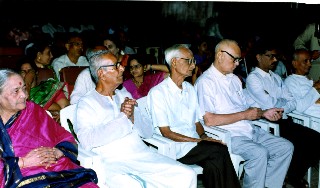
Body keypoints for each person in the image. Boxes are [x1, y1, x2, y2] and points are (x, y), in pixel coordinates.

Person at [74, 49, 197, 187]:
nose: (122, 68)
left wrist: (133, 116)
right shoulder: (87, 103)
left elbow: (147, 132)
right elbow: (86, 140)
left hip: (141, 155)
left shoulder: (123, 94)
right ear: (101, 73)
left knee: (186, 174)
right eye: (116, 66)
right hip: (112, 161)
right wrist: (122, 117)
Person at [195, 39, 293, 188]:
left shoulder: (235, 80)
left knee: (285, 147)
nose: (237, 64)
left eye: (239, 60)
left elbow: (246, 108)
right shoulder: (206, 83)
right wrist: (244, 115)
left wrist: (264, 113)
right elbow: (209, 120)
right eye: (234, 59)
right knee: (259, 154)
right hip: (228, 135)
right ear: (220, 55)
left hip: (248, 129)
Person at [147, 44, 241, 188]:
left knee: (213, 163)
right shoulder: (158, 93)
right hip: (176, 147)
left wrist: (204, 137)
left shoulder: (190, 89)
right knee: (219, 150)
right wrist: (198, 140)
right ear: (174, 62)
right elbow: (166, 132)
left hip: (194, 144)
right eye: (188, 61)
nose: (193, 66)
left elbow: (196, 122)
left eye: (193, 62)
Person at [0, 69, 98, 187]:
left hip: (58, 170)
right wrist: (23, 162)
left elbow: (65, 137)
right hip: (21, 177)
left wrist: (57, 152)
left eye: (24, 88)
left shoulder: (33, 111)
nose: (24, 95)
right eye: (16, 91)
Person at [246, 39, 320, 188]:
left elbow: (291, 102)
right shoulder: (253, 79)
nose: (274, 60)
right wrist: (281, 102)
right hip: (267, 123)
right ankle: (292, 176)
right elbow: (269, 104)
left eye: (275, 56)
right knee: (305, 141)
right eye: (270, 56)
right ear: (258, 57)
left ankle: (292, 175)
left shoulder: (276, 78)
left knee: (315, 139)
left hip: (284, 120)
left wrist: (279, 103)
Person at [18, 41, 70, 122]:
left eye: (30, 71)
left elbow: (65, 107)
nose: (27, 74)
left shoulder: (49, 87)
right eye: (23, 72)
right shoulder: (16, 93)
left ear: (36, 73)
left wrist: (61, 114)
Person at [284, 49, 320, 117]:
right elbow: (298, 107)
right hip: (313, 120)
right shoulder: (290, 81)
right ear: (295, 64)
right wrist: (315, 88)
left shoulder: (309, 79)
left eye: (310, 61)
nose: (309, 64)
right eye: (305, 61)